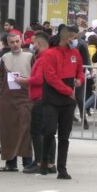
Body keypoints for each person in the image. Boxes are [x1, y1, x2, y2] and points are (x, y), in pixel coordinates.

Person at [40, 26, 84, 179]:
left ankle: (62, 168)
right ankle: (44, 161)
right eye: (72, 37)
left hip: (68, 100)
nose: (74, 40)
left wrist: (79, 79)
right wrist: (68, 91)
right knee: (50, 131)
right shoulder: (49, 54)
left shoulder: (75, 53)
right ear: (65, 37)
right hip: (52, 97)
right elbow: (51, 78)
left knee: (64, 136)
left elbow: (80, 69)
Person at [15, 32, 57, 174]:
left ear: (39, 44)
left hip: (41, 99)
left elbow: (39, 79)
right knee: (48, 132)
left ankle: (40, 162)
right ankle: (50, 163)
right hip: (48, 98)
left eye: (33, 43)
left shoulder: (44, 58)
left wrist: (24, 80)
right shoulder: (50, 56)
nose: (32, 45)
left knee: (37, 132)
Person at [0, 33, 33, 171]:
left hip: (25, 98)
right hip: (8, 98)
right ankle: (10, 163)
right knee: (8, 130)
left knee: (25, 129)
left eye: (17, 41)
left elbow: (35, 76)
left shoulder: (29, 57)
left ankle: (27, 162)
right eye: (12, 42)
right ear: (8, 43)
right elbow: (0, 78)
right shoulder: (5, 58)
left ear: (21, 41)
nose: (15, 44)